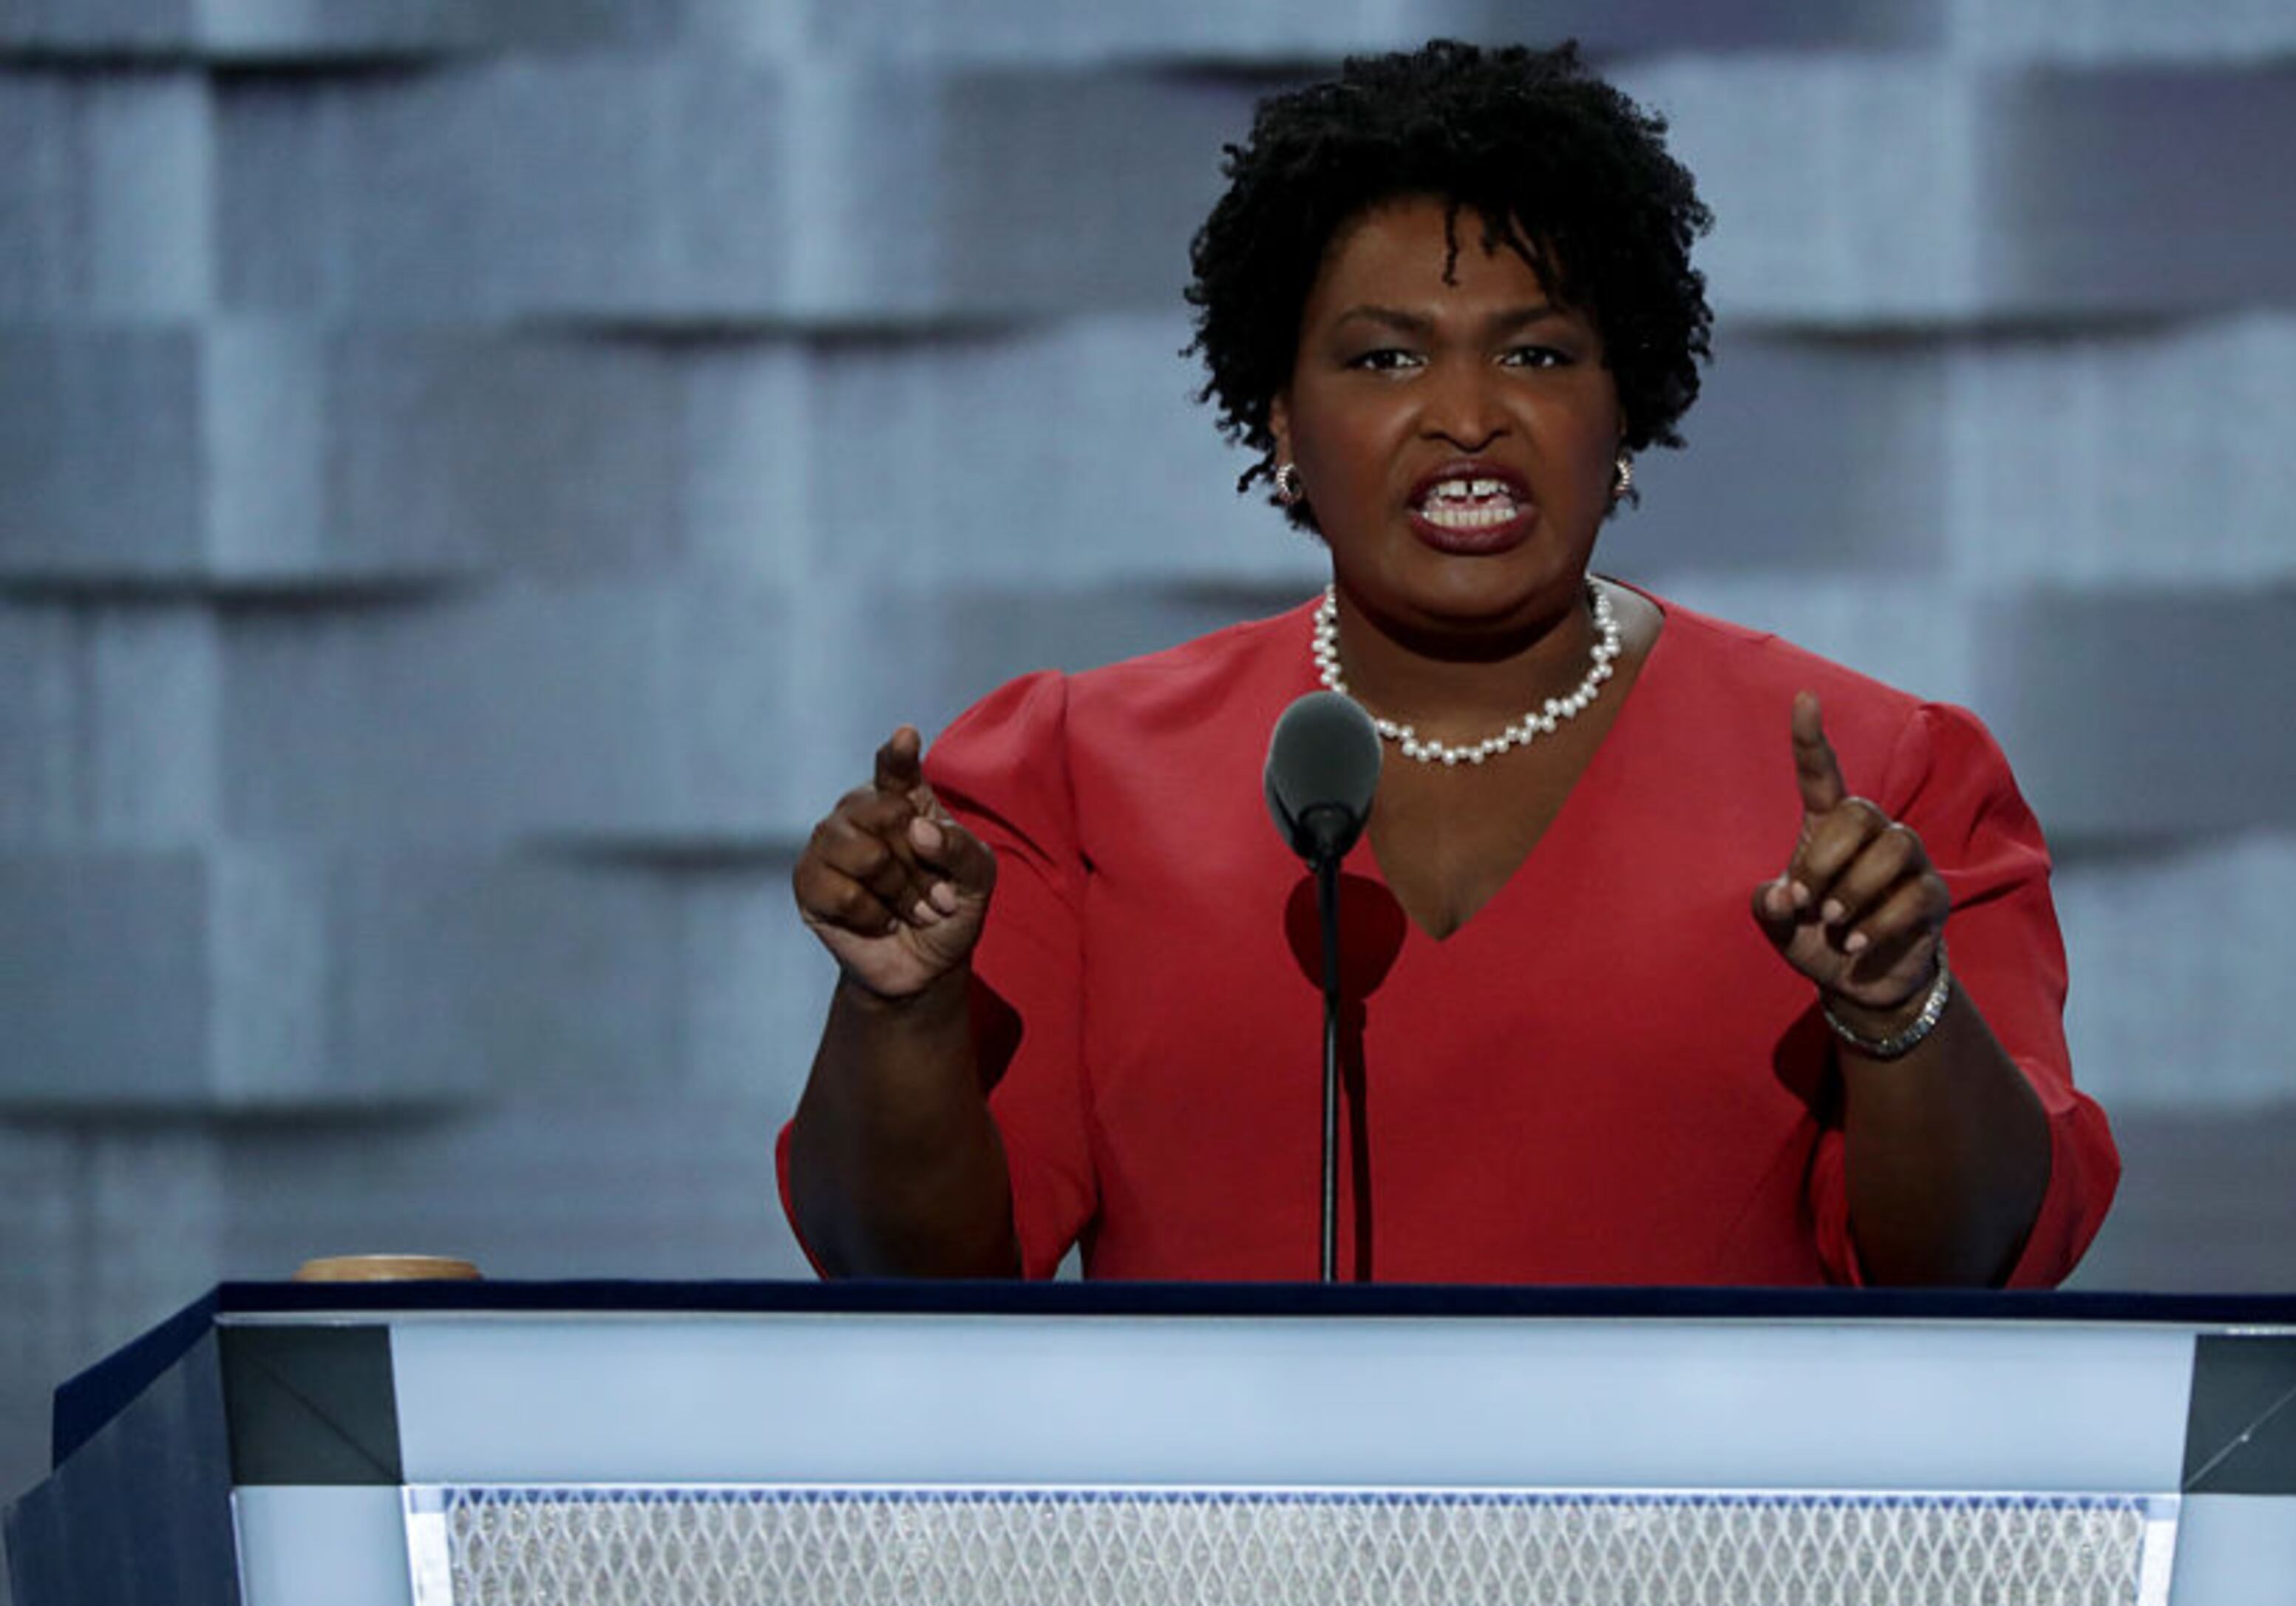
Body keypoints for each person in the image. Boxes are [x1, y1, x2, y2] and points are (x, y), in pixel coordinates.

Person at [781, 40, 2116, 1286]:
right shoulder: (1071, 775)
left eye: (1537, 354)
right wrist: (900, 1015)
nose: (1468, 417)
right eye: (1385, 357)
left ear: (1624, 407)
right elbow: (911, 1275)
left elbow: (1979, 1264)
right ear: (1283, 421)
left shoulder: (1884, 784)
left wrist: (1896, 1011)